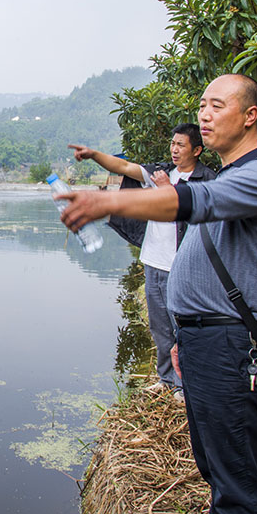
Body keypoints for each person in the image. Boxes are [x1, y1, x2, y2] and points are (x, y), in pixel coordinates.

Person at [57, 74, 257, 514]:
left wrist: (107, 202)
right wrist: (185, 334)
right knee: (215, 469)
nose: (205, 114)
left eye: (218, 105)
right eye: (202, 104)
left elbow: (193, 201)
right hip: (205, 341)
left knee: (238, 486)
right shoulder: (235, 172)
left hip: (232, 347)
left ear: (250, 116)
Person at [68, 124, 215, 400]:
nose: (174, 149)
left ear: (196, 150)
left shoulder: (206, 180)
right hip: (153, 262)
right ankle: (167, 379)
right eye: (173, 143)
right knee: (159, 326)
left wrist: (165, 189)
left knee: (183, 327)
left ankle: (188, 384)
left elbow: (199, 216)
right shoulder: (162, 172)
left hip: (183, 267)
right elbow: (124, 167)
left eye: (181, 145)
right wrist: (93, 154)